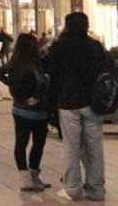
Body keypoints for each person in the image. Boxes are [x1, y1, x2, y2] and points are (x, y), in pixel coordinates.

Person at [44, 12, 109, 202]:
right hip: (93, 103)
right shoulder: (95, 46)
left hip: (68, 103)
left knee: (71, 147)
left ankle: (73, 188)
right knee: (95, 147)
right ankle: (96, 189)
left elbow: (51, 74)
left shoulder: (59, 46)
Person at [0, 33, 52, 192]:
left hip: (20, 110)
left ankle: (27, 178)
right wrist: (35, 97)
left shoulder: (14, 63)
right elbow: (43, 85)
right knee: (37, 143)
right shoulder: (36, 63)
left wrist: (13, 88)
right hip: (36, 111)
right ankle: (32, 176)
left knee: (23, 143)